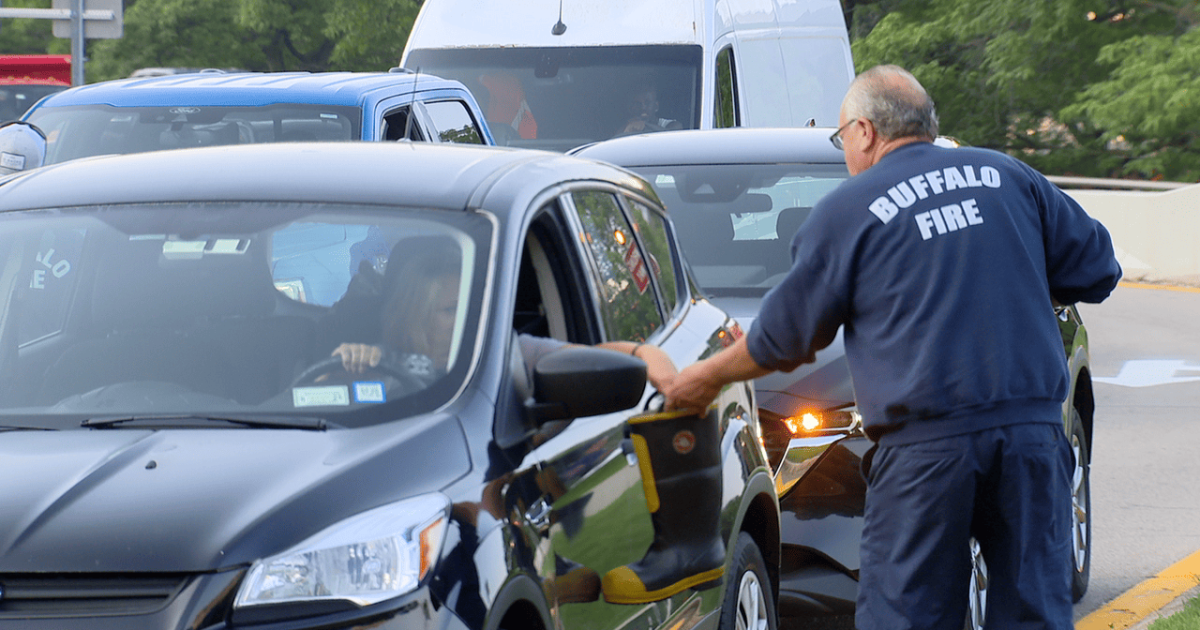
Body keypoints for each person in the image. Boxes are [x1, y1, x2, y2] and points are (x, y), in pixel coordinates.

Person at [660, 65, 1122, 630]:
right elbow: (1099, 268)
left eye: (841, 138)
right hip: (1030, 440)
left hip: (927, 453)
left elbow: (785, 337)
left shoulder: (850, 209)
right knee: (1035, 616)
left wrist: (703, 378)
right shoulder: (1009, 177)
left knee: (905, 619)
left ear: (863, 131)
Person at [613, 83, 682, 138]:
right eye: (638, 104)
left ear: (656, 106)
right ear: (632, 108)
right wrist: (628, 130)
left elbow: (672, 137)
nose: (643, 108)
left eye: (647, 103)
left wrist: (644, 124)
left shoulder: (671, 125)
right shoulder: (627, 126)